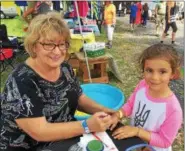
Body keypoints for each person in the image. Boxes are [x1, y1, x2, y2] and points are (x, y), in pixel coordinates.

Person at [0, 11, 118, 151]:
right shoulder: (21, 81)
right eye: (49, 45)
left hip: (64, 138)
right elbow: (40, 132)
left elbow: (79, 97)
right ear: (33, 46)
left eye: (62, 44)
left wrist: (106, 111)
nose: (57, 52)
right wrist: (86, 126)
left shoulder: (65, 68)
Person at [111, 44, 183, 151]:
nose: (154, 77)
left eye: (162, 72)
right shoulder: (142, 85)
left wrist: (137, 131)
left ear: (173, 74)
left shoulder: (173, 110)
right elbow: (131, 104)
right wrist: (118, 114)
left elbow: (164, 141)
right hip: (138, 144)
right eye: (149, 70)